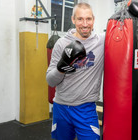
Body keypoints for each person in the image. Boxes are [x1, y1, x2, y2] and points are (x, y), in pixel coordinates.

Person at [46, 2, 105, 140]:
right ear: (73, 20)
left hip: (86, 109)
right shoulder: (61, 44)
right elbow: (50, 80)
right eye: (80, 19)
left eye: (88, 19)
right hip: (61, 108)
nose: (85, 24)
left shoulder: (101, 41)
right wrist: (61, 68)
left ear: (93, 19)